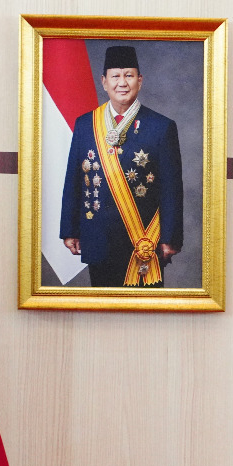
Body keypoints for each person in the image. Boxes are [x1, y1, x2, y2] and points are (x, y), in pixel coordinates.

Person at [59, 45, 184, 288]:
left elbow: (171, 189)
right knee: (102, 306)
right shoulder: (85, 124)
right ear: (104, 82)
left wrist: (170, 237)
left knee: (144, 309)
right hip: (97, 236)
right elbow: (73, 180)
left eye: (129, 75)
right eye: (115, 76)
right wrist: (70, 229)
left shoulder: (161, 127)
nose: (122, 83)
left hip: (143, 240)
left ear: (140, 80)